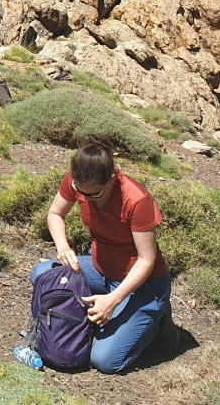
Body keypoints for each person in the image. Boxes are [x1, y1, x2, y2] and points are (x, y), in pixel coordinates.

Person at [33, 142, 174, 373]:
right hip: (99, 268)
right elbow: (55, 213)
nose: (86, 198)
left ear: (112, 178)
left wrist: (113, 300)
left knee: (105, 361)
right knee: (43, 275)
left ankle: (155, 324)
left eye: (94, 193)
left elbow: (146, 260)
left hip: (141, 286)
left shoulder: (136, 200)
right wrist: (63, 246)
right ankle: (89, 318)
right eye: (80, 192)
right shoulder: (77, 181)